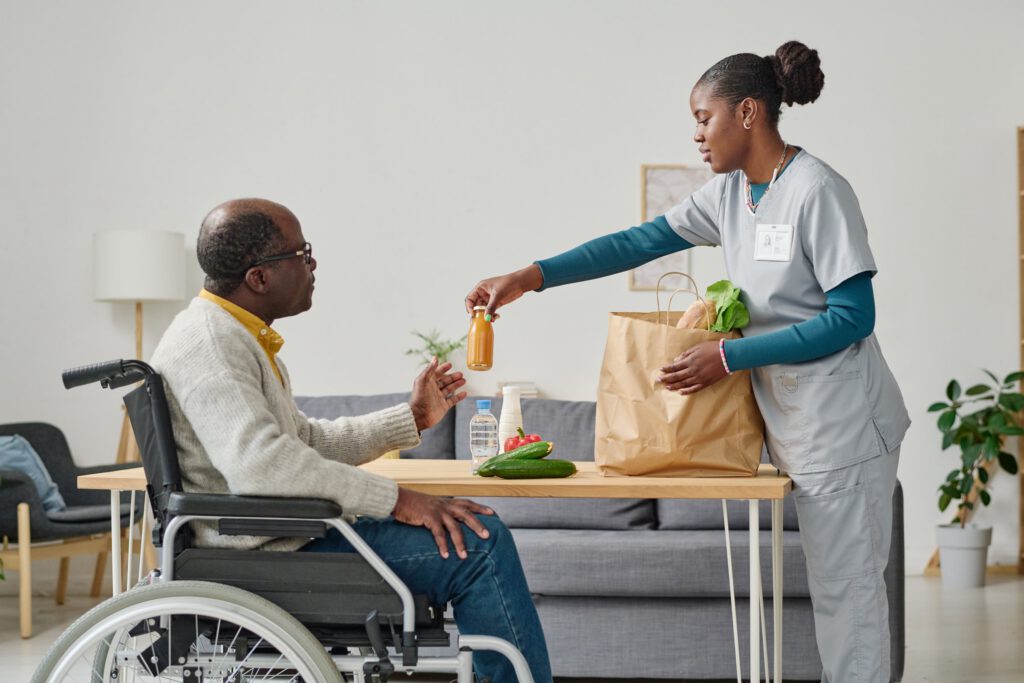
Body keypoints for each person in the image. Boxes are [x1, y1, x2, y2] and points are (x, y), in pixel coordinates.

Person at [465, 41, 909, 683]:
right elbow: (636, 242)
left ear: (749, 112)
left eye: (705, 118)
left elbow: (852, 318)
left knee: (849, 596)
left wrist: (729, 356)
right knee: (833, 591)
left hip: (844, 425)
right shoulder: (731, 195)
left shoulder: (818, 190)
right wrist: (529, 277)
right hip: (795, 421)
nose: (697, 135)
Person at [151, 198, 552, 683]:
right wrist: (398, 500)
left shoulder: (232, 334)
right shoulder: (212, 343)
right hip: (268, 556)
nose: (313, 265)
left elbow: (305, 441)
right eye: (302, 254)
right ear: (259, 278)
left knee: (475, 536)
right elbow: (263, 466)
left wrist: (413, 417)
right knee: (481, 545)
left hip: (282, 541)